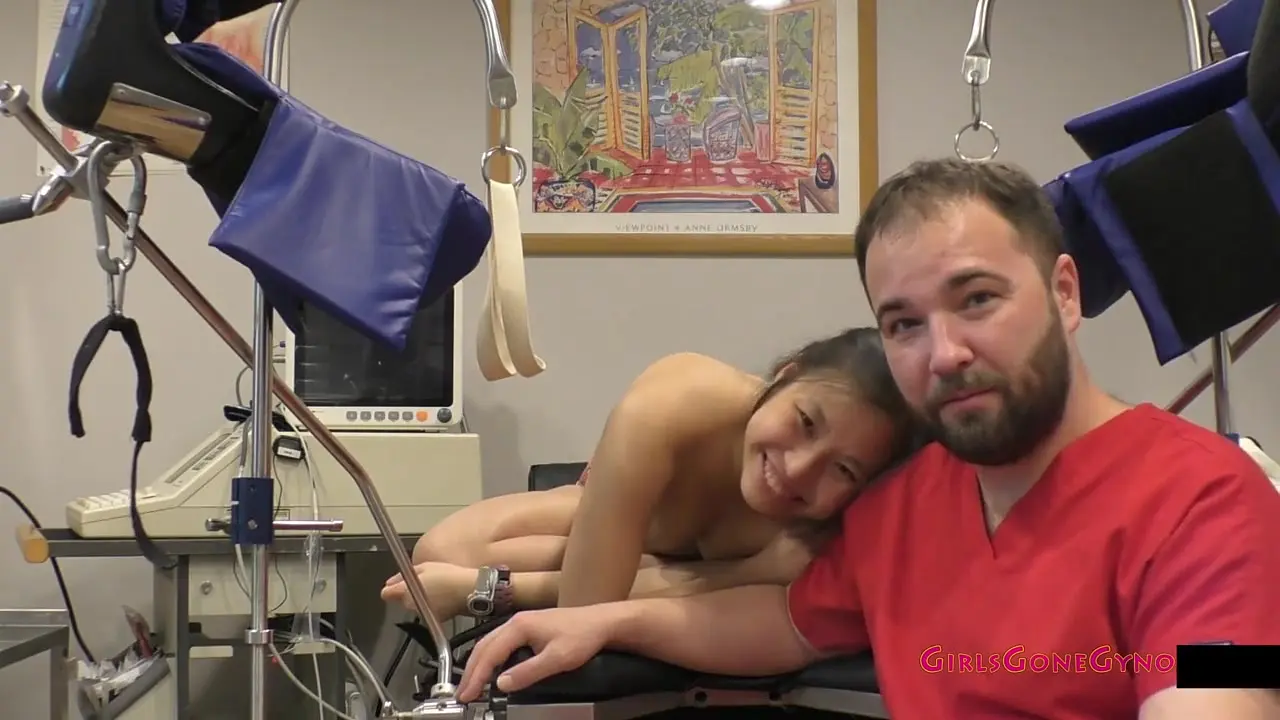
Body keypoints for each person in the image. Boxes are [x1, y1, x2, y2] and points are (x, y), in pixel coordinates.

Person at [455, 158, 1280, 719]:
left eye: (978, 299)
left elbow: (1224, 695)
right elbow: (784, 623)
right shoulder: (902, 506)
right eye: (905, 323)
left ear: (1065, 294)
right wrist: (607, 622)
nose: (945, 353)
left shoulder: (1211, 502)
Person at [381, 329, 920, 621]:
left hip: (623, 559)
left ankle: (621, 556)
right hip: (614, 518)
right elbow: (587, 603)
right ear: (785, 377)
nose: (798, 469)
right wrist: (751, 572)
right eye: (805, 422)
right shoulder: (675, 401)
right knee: (436, 554)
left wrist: (489, 589)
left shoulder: (837, 523)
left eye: (842, 468)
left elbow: (586, 615)